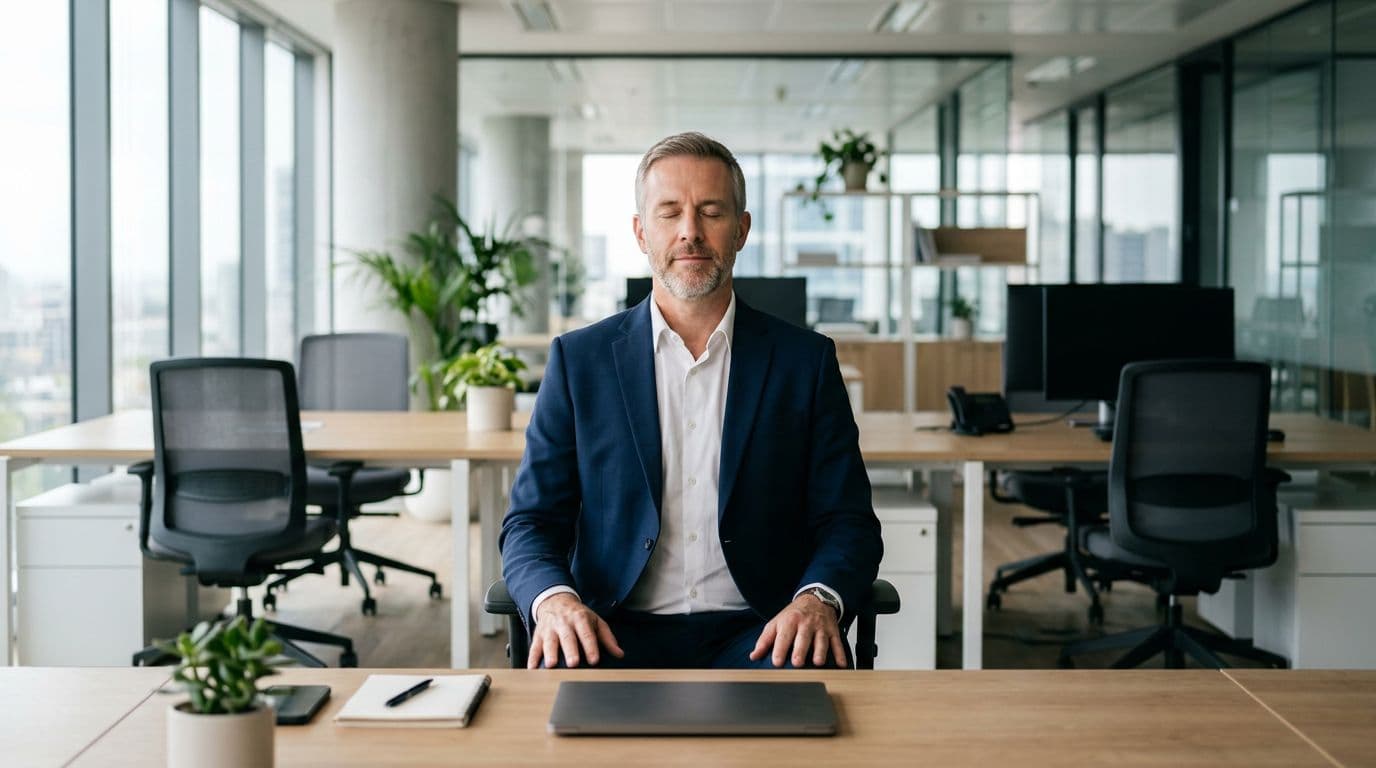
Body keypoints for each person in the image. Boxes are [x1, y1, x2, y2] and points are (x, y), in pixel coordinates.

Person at [500, 131, 881, 669]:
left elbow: (849, 521)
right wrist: (554, 601)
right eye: (669, 212)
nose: (690, 233)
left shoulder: (805, 363)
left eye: (711, 212)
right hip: (609, 632)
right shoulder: (578, 362)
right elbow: (531, 522)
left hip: (765, 635)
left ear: (742, 229)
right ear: (640, 232)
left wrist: (816, 599)